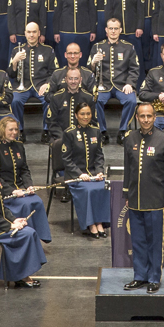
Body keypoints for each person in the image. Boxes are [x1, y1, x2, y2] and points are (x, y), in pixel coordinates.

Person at [119, 101, 164, 292]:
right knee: (137, 240)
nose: (145, 120)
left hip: (156, 198)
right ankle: (139, 276)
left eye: (149, 116)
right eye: (142, 116)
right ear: (137, 117)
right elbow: (128, 168)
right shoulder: (129, 138)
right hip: (135, 198)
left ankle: (154, 277)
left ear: (154, 117)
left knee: (154, 241)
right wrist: (126, 192)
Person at [0, 145, 47, 288]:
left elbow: (1, 205)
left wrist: (14, 219)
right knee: (25, 235)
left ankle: (22, 274)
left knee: (30, 232)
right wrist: (9, 226)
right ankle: (21, 276)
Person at [0, 117, 53, 244]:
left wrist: (29, 186)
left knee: (37, 201)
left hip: (22, 189)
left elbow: (24, 170)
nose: (14, 132)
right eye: (11, 129)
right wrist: (12, 191)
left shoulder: (19, 146)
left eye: (16, 129)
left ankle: (40, 236)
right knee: (26, 205)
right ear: (3, 130)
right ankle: (26, 238)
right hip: (6, 192)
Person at [61, 100, 109, 238]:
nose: (86, 117)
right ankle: (90, 224)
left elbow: (99, 155)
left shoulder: (95, 130)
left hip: (93, 174)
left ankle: (100, 221)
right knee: (88, 190)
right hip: (75, 176)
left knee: (103, 187)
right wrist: (80, 174)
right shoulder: (69, 133)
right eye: (82, 114)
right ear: (76, 115)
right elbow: (67, 159)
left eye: (88, 113)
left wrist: (100, 171)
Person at [88, 17, 140, 142]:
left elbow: (134, 69)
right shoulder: (97, 46)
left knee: (131, 101)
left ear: (120, 30)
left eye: (116, 28)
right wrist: (93, 62)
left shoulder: (128, 47)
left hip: (122, 85)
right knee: (95, 100)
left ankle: (123, 131)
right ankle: (102, 131)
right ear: (106, 30)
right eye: (110, 28)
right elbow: (88, 71)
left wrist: (130, 84)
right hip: (103, 85)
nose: (113, 31)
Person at [7, 22, 59, 134]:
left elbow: (55, 72)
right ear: (25, 34)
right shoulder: (17, 50)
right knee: (15, 101)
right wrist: (15, 61)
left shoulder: (48, 50)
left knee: (49, 99)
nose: (31, 35)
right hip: (23, 86)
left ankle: (46, 131)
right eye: (29, 32)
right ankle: (18, 131)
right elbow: (11, 74)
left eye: (34, 32)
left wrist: (48, 84)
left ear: (39, 33)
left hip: (41, 85)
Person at [46, 67, 98, 159]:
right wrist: (65, 138)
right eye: (70, 78)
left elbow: (93, 122)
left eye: (76, 78)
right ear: (66, 80)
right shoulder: (56, 97)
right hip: (61, 137)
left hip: (83, 137)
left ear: (80, 80)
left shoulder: (88, 97)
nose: (73, 81)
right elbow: (52, 123)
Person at [103, 0, 147, 68]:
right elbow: (108, 10)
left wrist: (139, 27)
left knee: (135, 57)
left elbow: (140, 10)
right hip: (116, 31)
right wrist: (109, 29)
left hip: (133, 29)